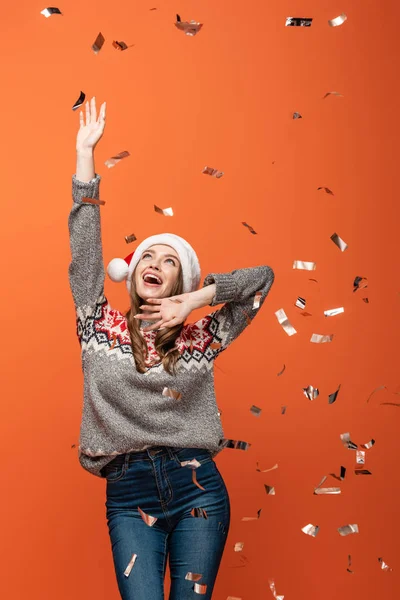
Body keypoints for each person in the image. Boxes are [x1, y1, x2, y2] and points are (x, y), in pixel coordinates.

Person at [68, 96, 275, 600]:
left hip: (197, 486)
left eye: (168, 259)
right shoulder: (97, 322)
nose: (153, 262)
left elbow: (262, 280)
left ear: (181, 277)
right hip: (128, 488)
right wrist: (85, 157)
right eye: (146, 257)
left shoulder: (203, 338)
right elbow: (84, 248)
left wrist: (198, 300)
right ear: (134, 274)